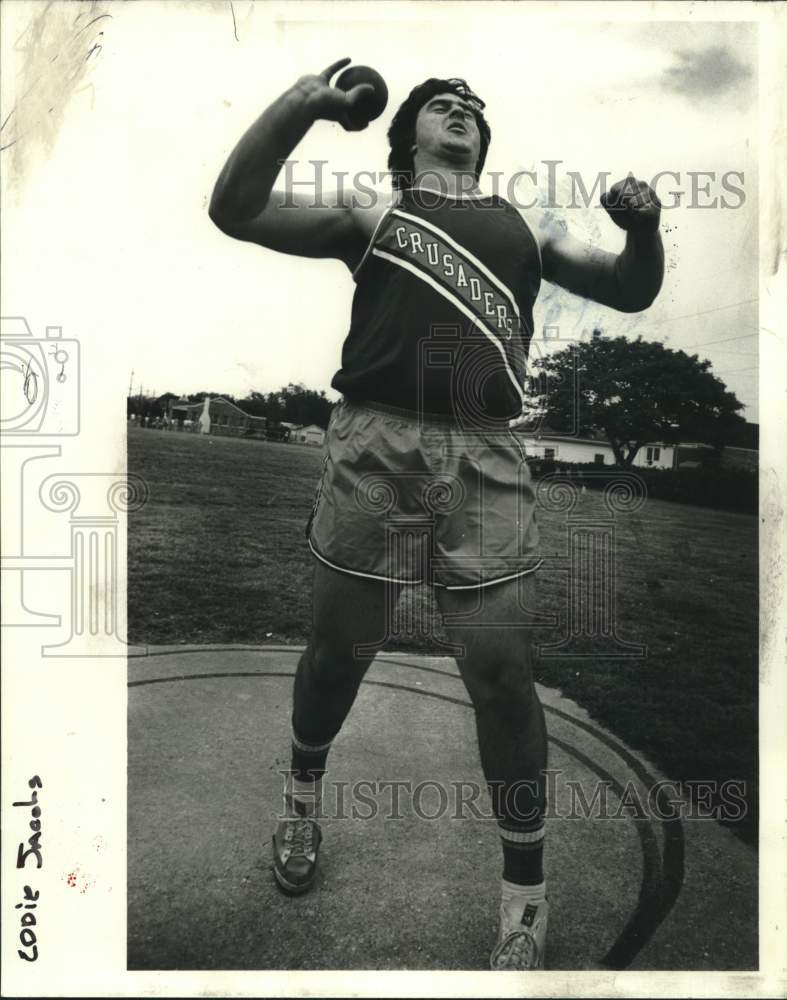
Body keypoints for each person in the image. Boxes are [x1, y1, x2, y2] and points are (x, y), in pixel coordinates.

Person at [209, 58, 663, 971]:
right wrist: (309, 101)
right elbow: (235, 208)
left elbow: (631, 288)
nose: (460, 112)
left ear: (481, 143)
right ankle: (302, 797)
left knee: (499, 675)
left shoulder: (529, 225)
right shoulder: (371, 214)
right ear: (406, 136)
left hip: (485, 453)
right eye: (440, 106)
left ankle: (523, 901)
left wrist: (644, 229)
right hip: (375, 443)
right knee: (340, 651)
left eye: (471, 111)